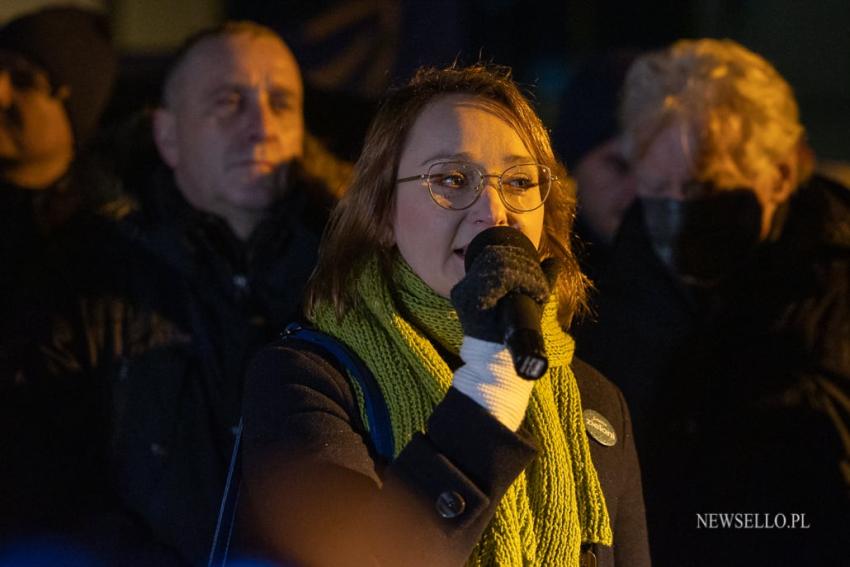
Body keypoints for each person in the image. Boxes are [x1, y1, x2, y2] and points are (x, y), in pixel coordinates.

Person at [241, 64, 650, 567]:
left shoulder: (597, 402)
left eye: (520, 181)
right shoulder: (306, 382)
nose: (494, 212)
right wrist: (491, 386)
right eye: (453, 179)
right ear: (382, 213)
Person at [2, 21, 349, 564]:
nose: (262, 127)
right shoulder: (84, 275)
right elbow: (43, 490)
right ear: (168, 135)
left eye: (281, 102)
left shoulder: (352, 279)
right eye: (228, 101)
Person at [574, 39, 850, 565]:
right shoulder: (616, 286)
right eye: (660, 189)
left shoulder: (832, 286)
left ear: (783, 173)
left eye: (707, 190)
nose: (681, 215)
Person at [553, 50, 638, 280]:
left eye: (652, 169)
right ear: (571, 167)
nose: (640, 189)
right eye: (619, 165)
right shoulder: (546, 281)